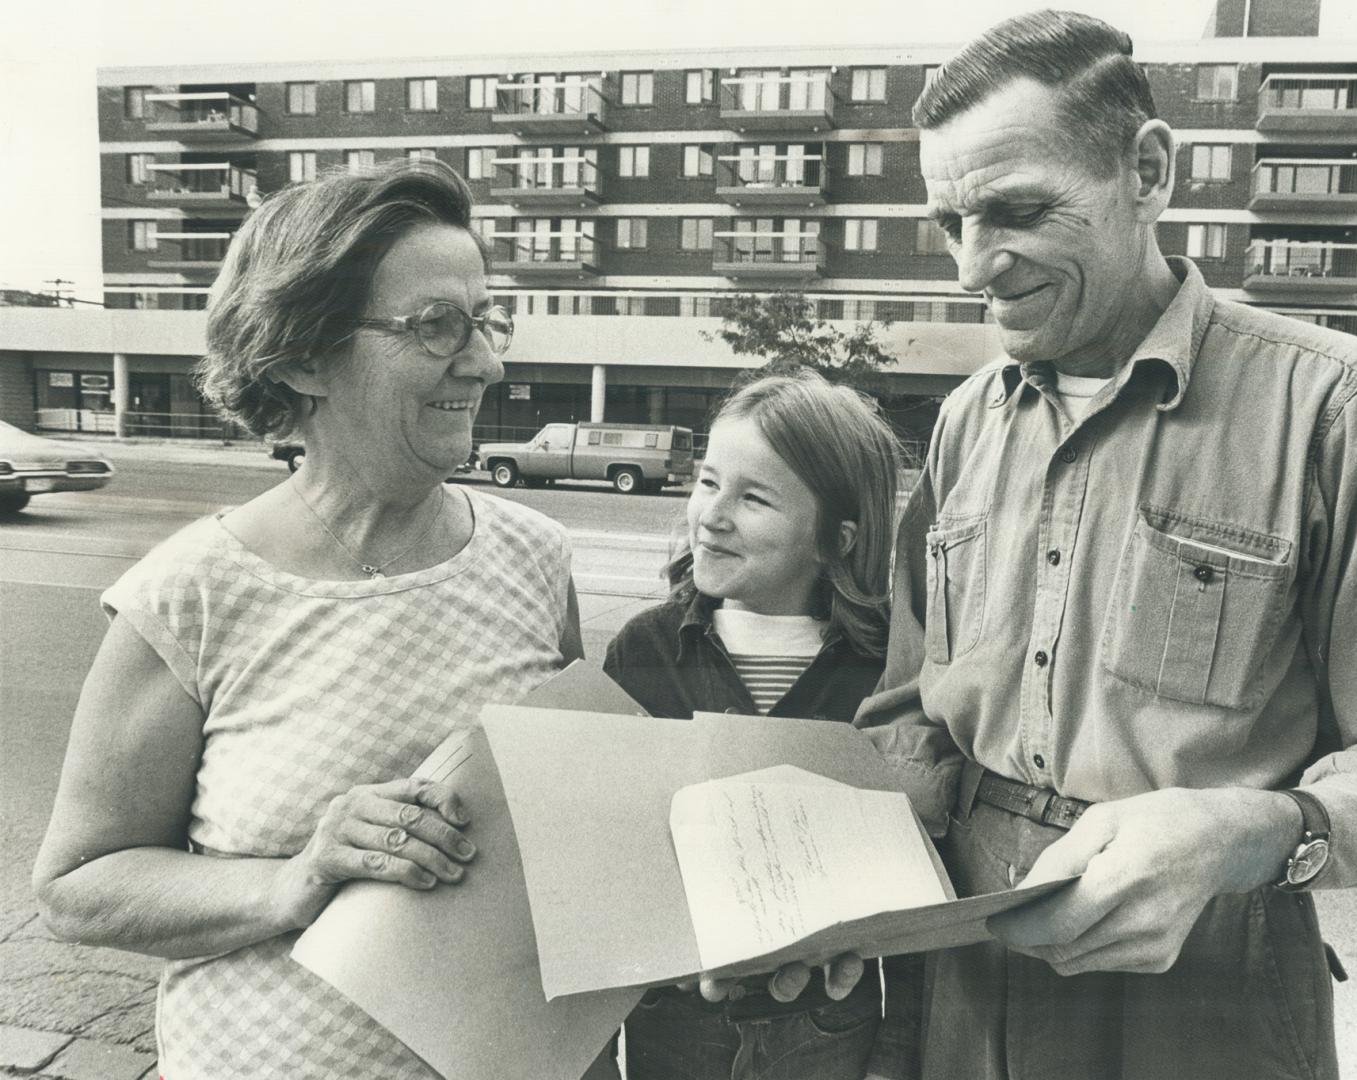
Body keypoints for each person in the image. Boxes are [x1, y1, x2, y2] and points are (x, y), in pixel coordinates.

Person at [854, 11, 1357, 1080]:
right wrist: (852, 888)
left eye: (1019, 210)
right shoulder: (966, 418)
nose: (975, 264)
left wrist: (1249, 833)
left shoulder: (1340, 405)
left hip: (1211, 986)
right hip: (967, 970)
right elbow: (905, 707)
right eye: (949, 223)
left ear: (1150, 172)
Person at [32, 160, 585, 1079]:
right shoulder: (190, 593)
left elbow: (568, 837)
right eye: (437, 326)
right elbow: (78, 889)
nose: (486, 361)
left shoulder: (536, 556)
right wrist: (295, 879)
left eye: (487, 320)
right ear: (300, 354)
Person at [604, 371, 921, 1080]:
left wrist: (894, 1059)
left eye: (753, 499)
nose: (712, 514)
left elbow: (911, 894)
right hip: (674, 1015)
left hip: (826, 1020)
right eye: (707, 482)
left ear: (836, 539)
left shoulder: (887, 670)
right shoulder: (643, 649)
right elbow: (610, 845)